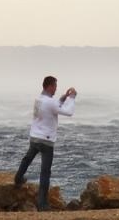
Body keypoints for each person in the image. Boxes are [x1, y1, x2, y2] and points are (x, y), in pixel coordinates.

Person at [14, 75, 76, 212]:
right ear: (49, 86)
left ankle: (18, 178)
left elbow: (53, 106)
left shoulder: (39, 99)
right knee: (45, 172)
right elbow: (69, 112)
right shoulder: (50, 102)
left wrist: (63, 97)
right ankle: (42, 204)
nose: (55, 89)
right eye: (54, 86)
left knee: (27, 158)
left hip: (35, 136)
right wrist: (72, 98)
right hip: (46, 140)